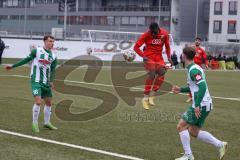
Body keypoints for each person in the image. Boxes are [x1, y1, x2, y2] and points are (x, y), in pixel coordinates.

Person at [172, 47, 227, 160]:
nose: (181, 56)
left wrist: (197, 105)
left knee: (181, 126)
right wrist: (181, 90)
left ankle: (188, 156)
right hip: (206, 104)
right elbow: (194, 86)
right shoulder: (193, 67)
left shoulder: (193, 70)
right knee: (193, 130)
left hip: (201, 104)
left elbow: (202, 86)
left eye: (182, 54)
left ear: (184, 56)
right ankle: (220, 144)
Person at [5, 35, 58, 133]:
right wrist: (13, 66)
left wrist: (51, 81)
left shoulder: (54, 56)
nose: (52, 43)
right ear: (45, 42)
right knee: (38, 102)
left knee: (49, 103)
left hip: (46, 82)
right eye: (50, 41)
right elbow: (26, 60)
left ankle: (47, 123)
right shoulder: (36, 51)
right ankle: (35, 123)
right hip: (36, 81)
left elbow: (53, 70)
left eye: (53, 42)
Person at [134, 22, 173, 110]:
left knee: (162, 72)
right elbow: (136, 47)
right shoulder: (146, 34)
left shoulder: (165, 34)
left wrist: (169, 57)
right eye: (151, 32)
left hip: (159, 58)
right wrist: (143, 56)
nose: (153, 34)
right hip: (149, 57)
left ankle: (152, 96)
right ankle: (145, 98)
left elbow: (167, 46)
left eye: (154, 32)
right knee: (152, 74)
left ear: (158, 29)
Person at [187, 38, 209, 102]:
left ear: (200, 42)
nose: (197, 41)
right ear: (194, 41)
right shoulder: (191, 49)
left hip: (197, 69)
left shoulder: (202, 50)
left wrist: (206, 64)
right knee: (190, 83)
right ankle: (190, 97)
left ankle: (199, 96)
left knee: (199, 82)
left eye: (199, 41)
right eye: (196, 40)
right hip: (191, 67)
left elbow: (205, 58)